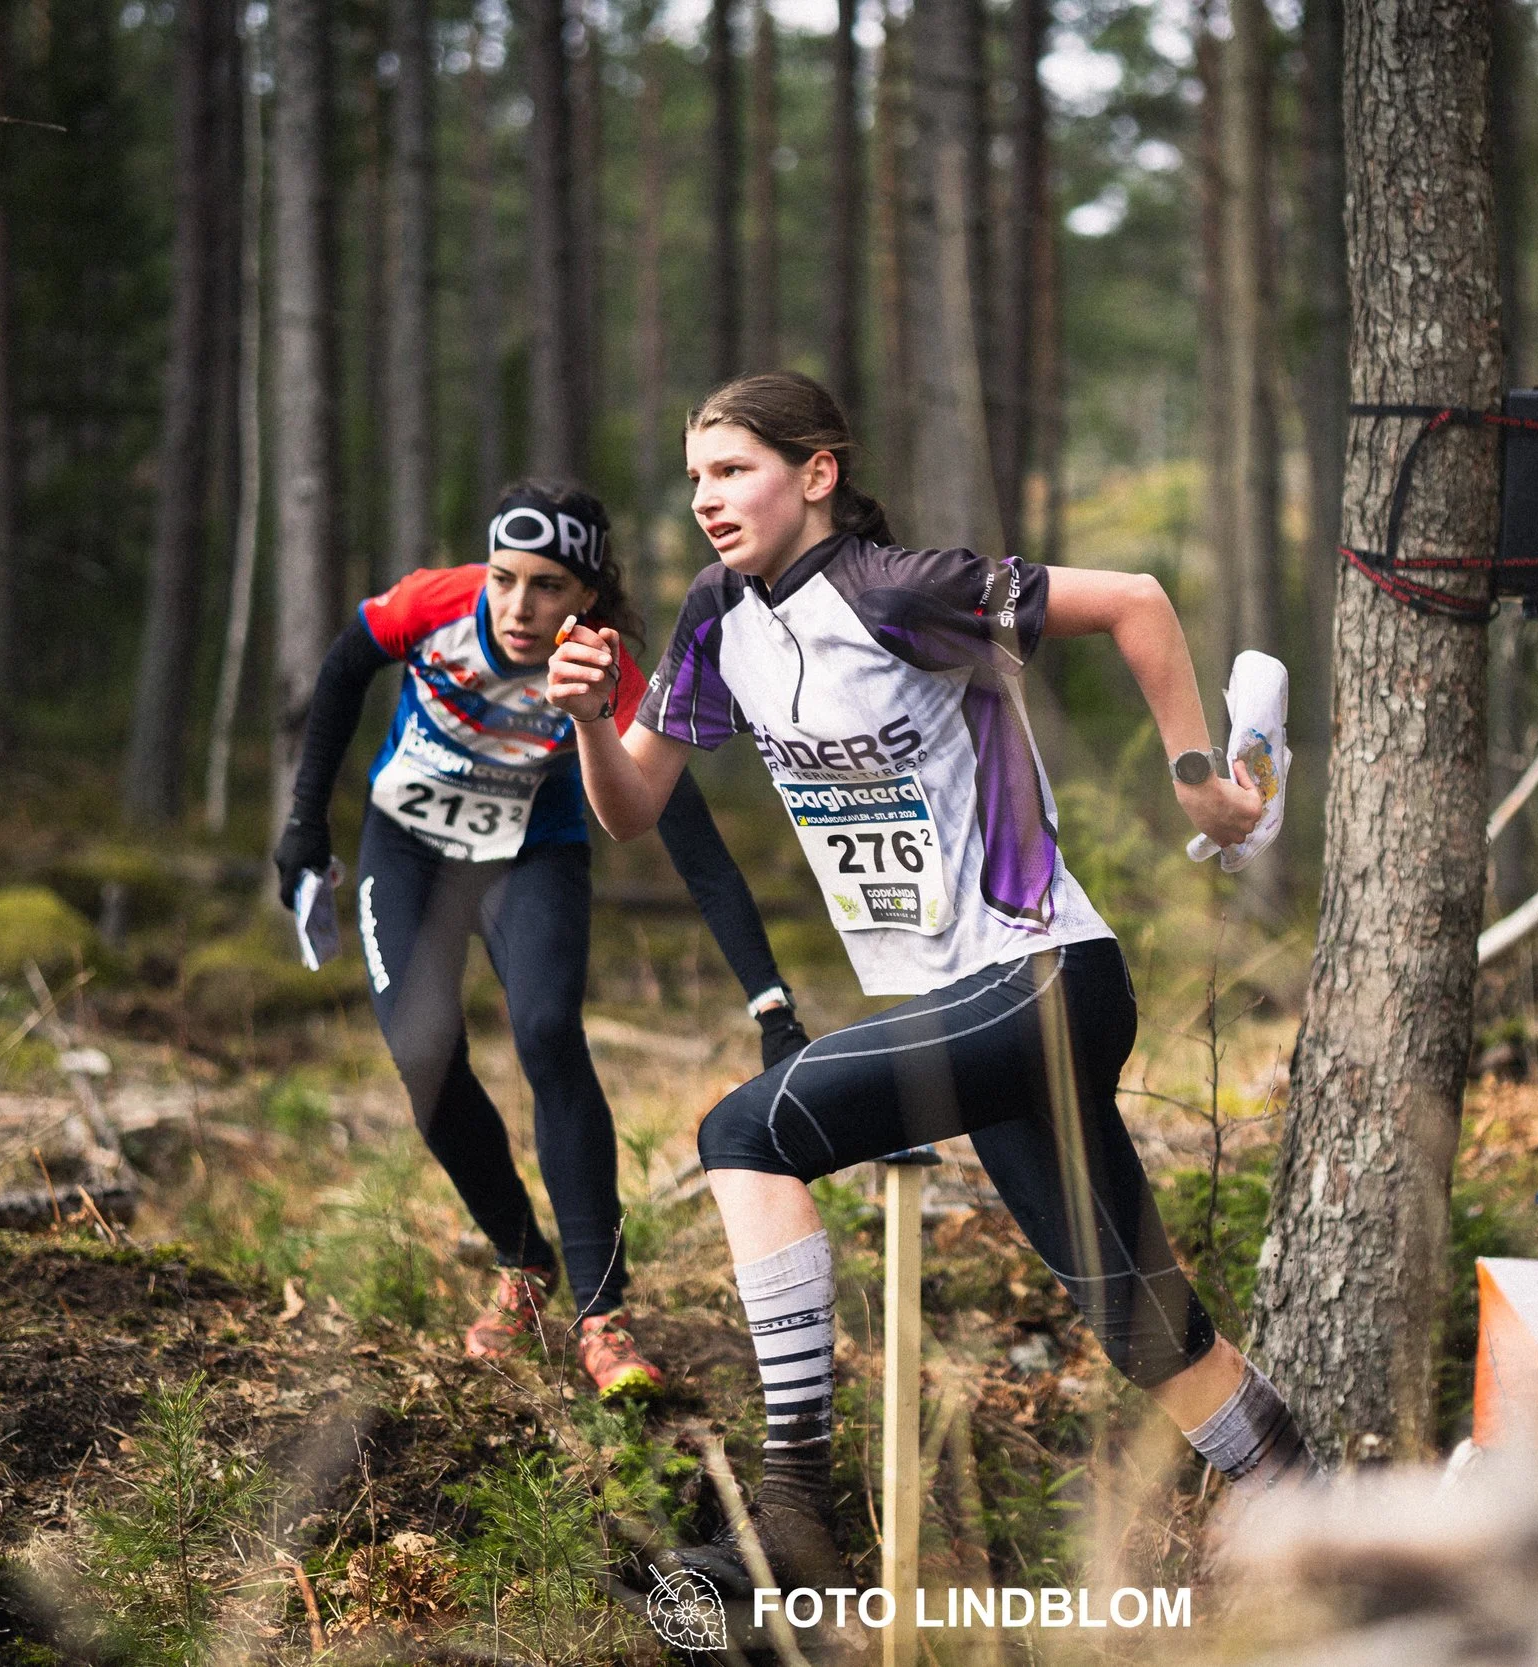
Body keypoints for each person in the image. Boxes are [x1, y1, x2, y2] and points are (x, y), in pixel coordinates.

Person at [548, 374, 1316, 1590]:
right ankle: (1295, 1487)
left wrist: (1190, 774)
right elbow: (633, 809)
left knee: (743, 1132)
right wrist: (593, 719)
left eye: (734, 469)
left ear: (817, 474)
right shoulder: (714, 616)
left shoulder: (899, 587)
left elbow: (1138, 601)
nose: (706, 499)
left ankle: (793, 1514)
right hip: (967, 1008)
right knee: (1138, 1320)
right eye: (694, 477)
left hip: (1047, 976)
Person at [274, 481, 812, 1401]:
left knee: (549, 1029)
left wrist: (769, 997)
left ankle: (601, 1312)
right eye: (505, 578)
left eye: (549, 586)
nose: (519, 608)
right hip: (409, 844)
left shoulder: (606, 670)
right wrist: (304, 825)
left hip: (533, 848)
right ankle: (523, 1262)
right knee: (422, 1051)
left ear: (588, 597)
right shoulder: (435, 606)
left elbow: (694, 842)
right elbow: (339, 670)